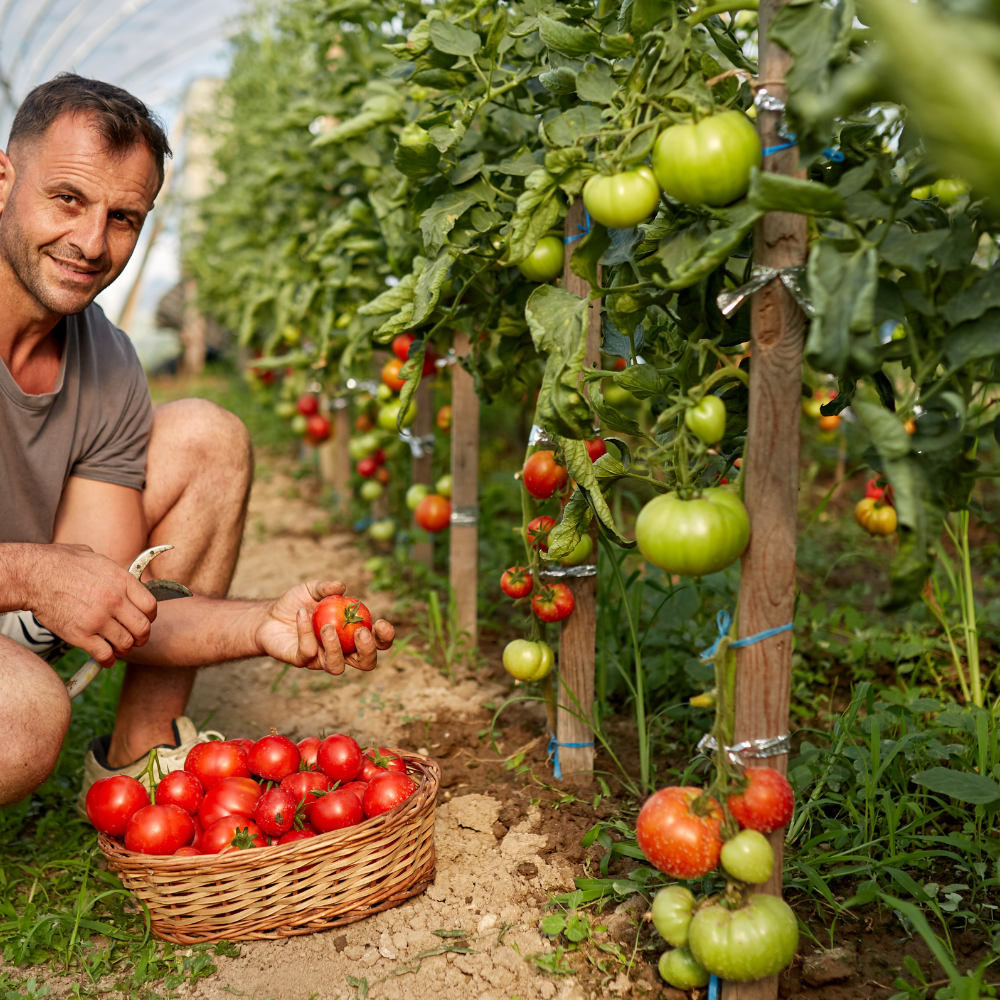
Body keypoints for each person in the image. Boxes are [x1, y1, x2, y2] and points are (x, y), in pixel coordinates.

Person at [0, 74, 395, 808]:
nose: (91, 242)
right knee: (20, 719)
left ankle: (139, 767)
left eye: (124, 217)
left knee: (207, 434)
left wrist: (266, 624)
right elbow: (48, 582)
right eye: (68, 199)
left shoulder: (108, 360)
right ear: (2, 180)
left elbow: (122, 601)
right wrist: (29, 576)